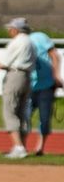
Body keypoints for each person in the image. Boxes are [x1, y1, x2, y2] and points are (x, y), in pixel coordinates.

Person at [0, 17, 35, 159]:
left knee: (9, 110)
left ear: (15, 29)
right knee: (21, 111)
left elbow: (3, 63)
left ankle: (18, 147)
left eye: (10, 29)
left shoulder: (16, 42)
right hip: (27, 77)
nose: (9, 31)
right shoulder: (30, 42)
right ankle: (22, 146)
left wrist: (0, 65)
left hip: (15, 75)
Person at [27, 28, 63, 156]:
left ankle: (40, 147)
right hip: (28, 86)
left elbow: (55, 55)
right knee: (24, 116)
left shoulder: (40, 37)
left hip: (46, 85)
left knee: (44, 118)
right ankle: (21, 146)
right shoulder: (18, 43)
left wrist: (56, 76)